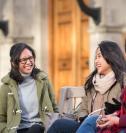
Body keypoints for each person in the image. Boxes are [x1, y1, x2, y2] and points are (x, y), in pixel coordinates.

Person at [47, 40, 126, 133]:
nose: (96, 61)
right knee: (59, 124)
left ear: (111, 57)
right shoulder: (93, 82)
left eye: (99, 56)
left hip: (108, 125)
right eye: (95, 57)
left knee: (93, 120)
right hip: (87, 124)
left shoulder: (122, 80)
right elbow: (83, 108)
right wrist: (84, 117)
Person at [0, 42, 58, 133]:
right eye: (24, 59)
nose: (29, 62)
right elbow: (1, 118)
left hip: (42, 128)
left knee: (36, 128)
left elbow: (54, 107)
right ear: (14, 63)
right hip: (18, 130)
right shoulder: (6, 87)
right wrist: (7, 131)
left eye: (31, 58)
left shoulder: (43, 81)